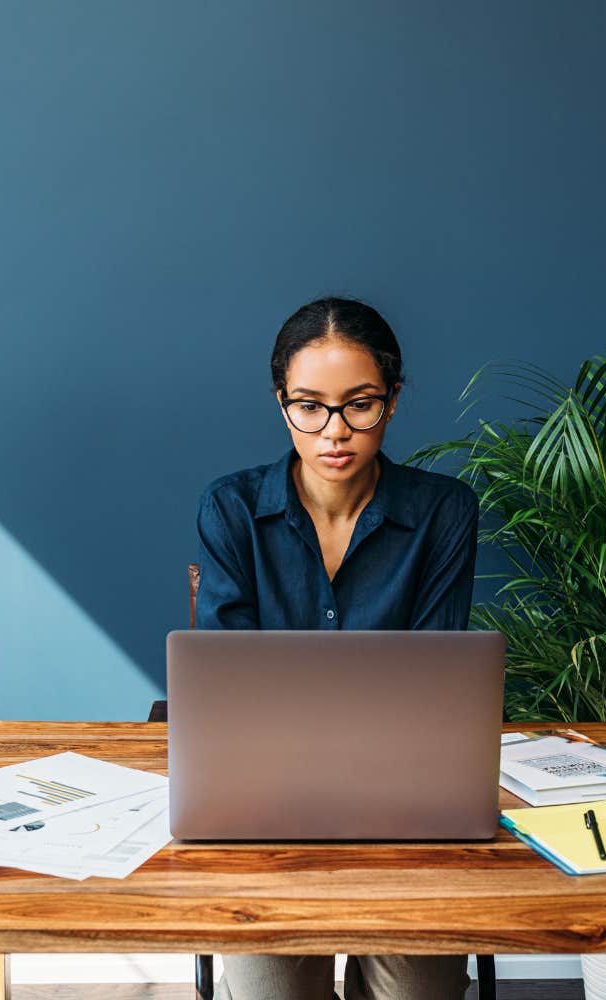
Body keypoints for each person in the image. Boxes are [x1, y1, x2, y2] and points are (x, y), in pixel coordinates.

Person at [196, 296, 479, 1000]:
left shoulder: (444, 511)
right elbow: (225, 684)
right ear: (280, 401)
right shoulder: (231, 508)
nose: (334, 431)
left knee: (418, 989)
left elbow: (435, 686)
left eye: (360, 405)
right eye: (309, 406)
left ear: (393, 399)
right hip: (262, 801)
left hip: (405, 800)